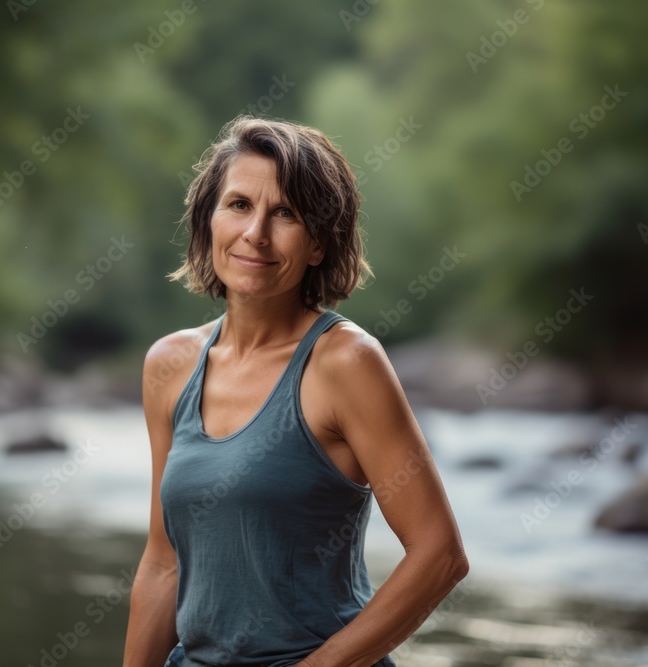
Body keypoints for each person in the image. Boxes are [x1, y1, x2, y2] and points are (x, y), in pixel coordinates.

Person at [122, 115, 468, 667]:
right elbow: (164, 564)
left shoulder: (347, 363)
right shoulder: (169, 364)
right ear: (208, 219)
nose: (255, 233)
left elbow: (440, 556)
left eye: (285, 213)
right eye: (238, 205)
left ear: (317, 244)